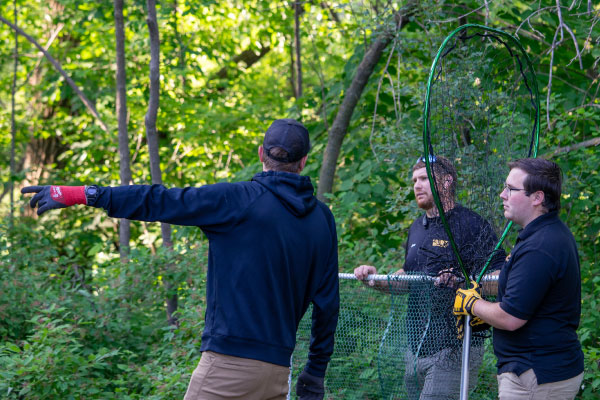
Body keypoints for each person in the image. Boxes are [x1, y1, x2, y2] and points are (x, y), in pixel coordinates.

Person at [22, 118, 340, 400]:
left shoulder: (239, 200)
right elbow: (327, 304)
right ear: (303, 163)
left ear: (261, 154)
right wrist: (314, 371)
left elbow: (161, 200)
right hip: (277, 371)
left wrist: (81, 194)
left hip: (228, 366)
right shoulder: (322, 220)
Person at [354, 155, 504, 400]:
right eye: (414, 179)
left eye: (424, 178)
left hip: (455, 348)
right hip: (415, 350)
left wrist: (462, 282)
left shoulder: (471, 224)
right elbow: (410, 277)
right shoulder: (417, 227)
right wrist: (376, 279)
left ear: (446, 182)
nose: (416, 185)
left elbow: (500, 279)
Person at [454, 158, 584, 400]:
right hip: (541, 371)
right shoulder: (545, 235)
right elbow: (524, 294)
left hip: (536, 376)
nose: (502, 194)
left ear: (537, 198)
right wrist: (486, 308)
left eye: (510, 189)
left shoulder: (540, 246)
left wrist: (472, 304)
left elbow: (511, 318)